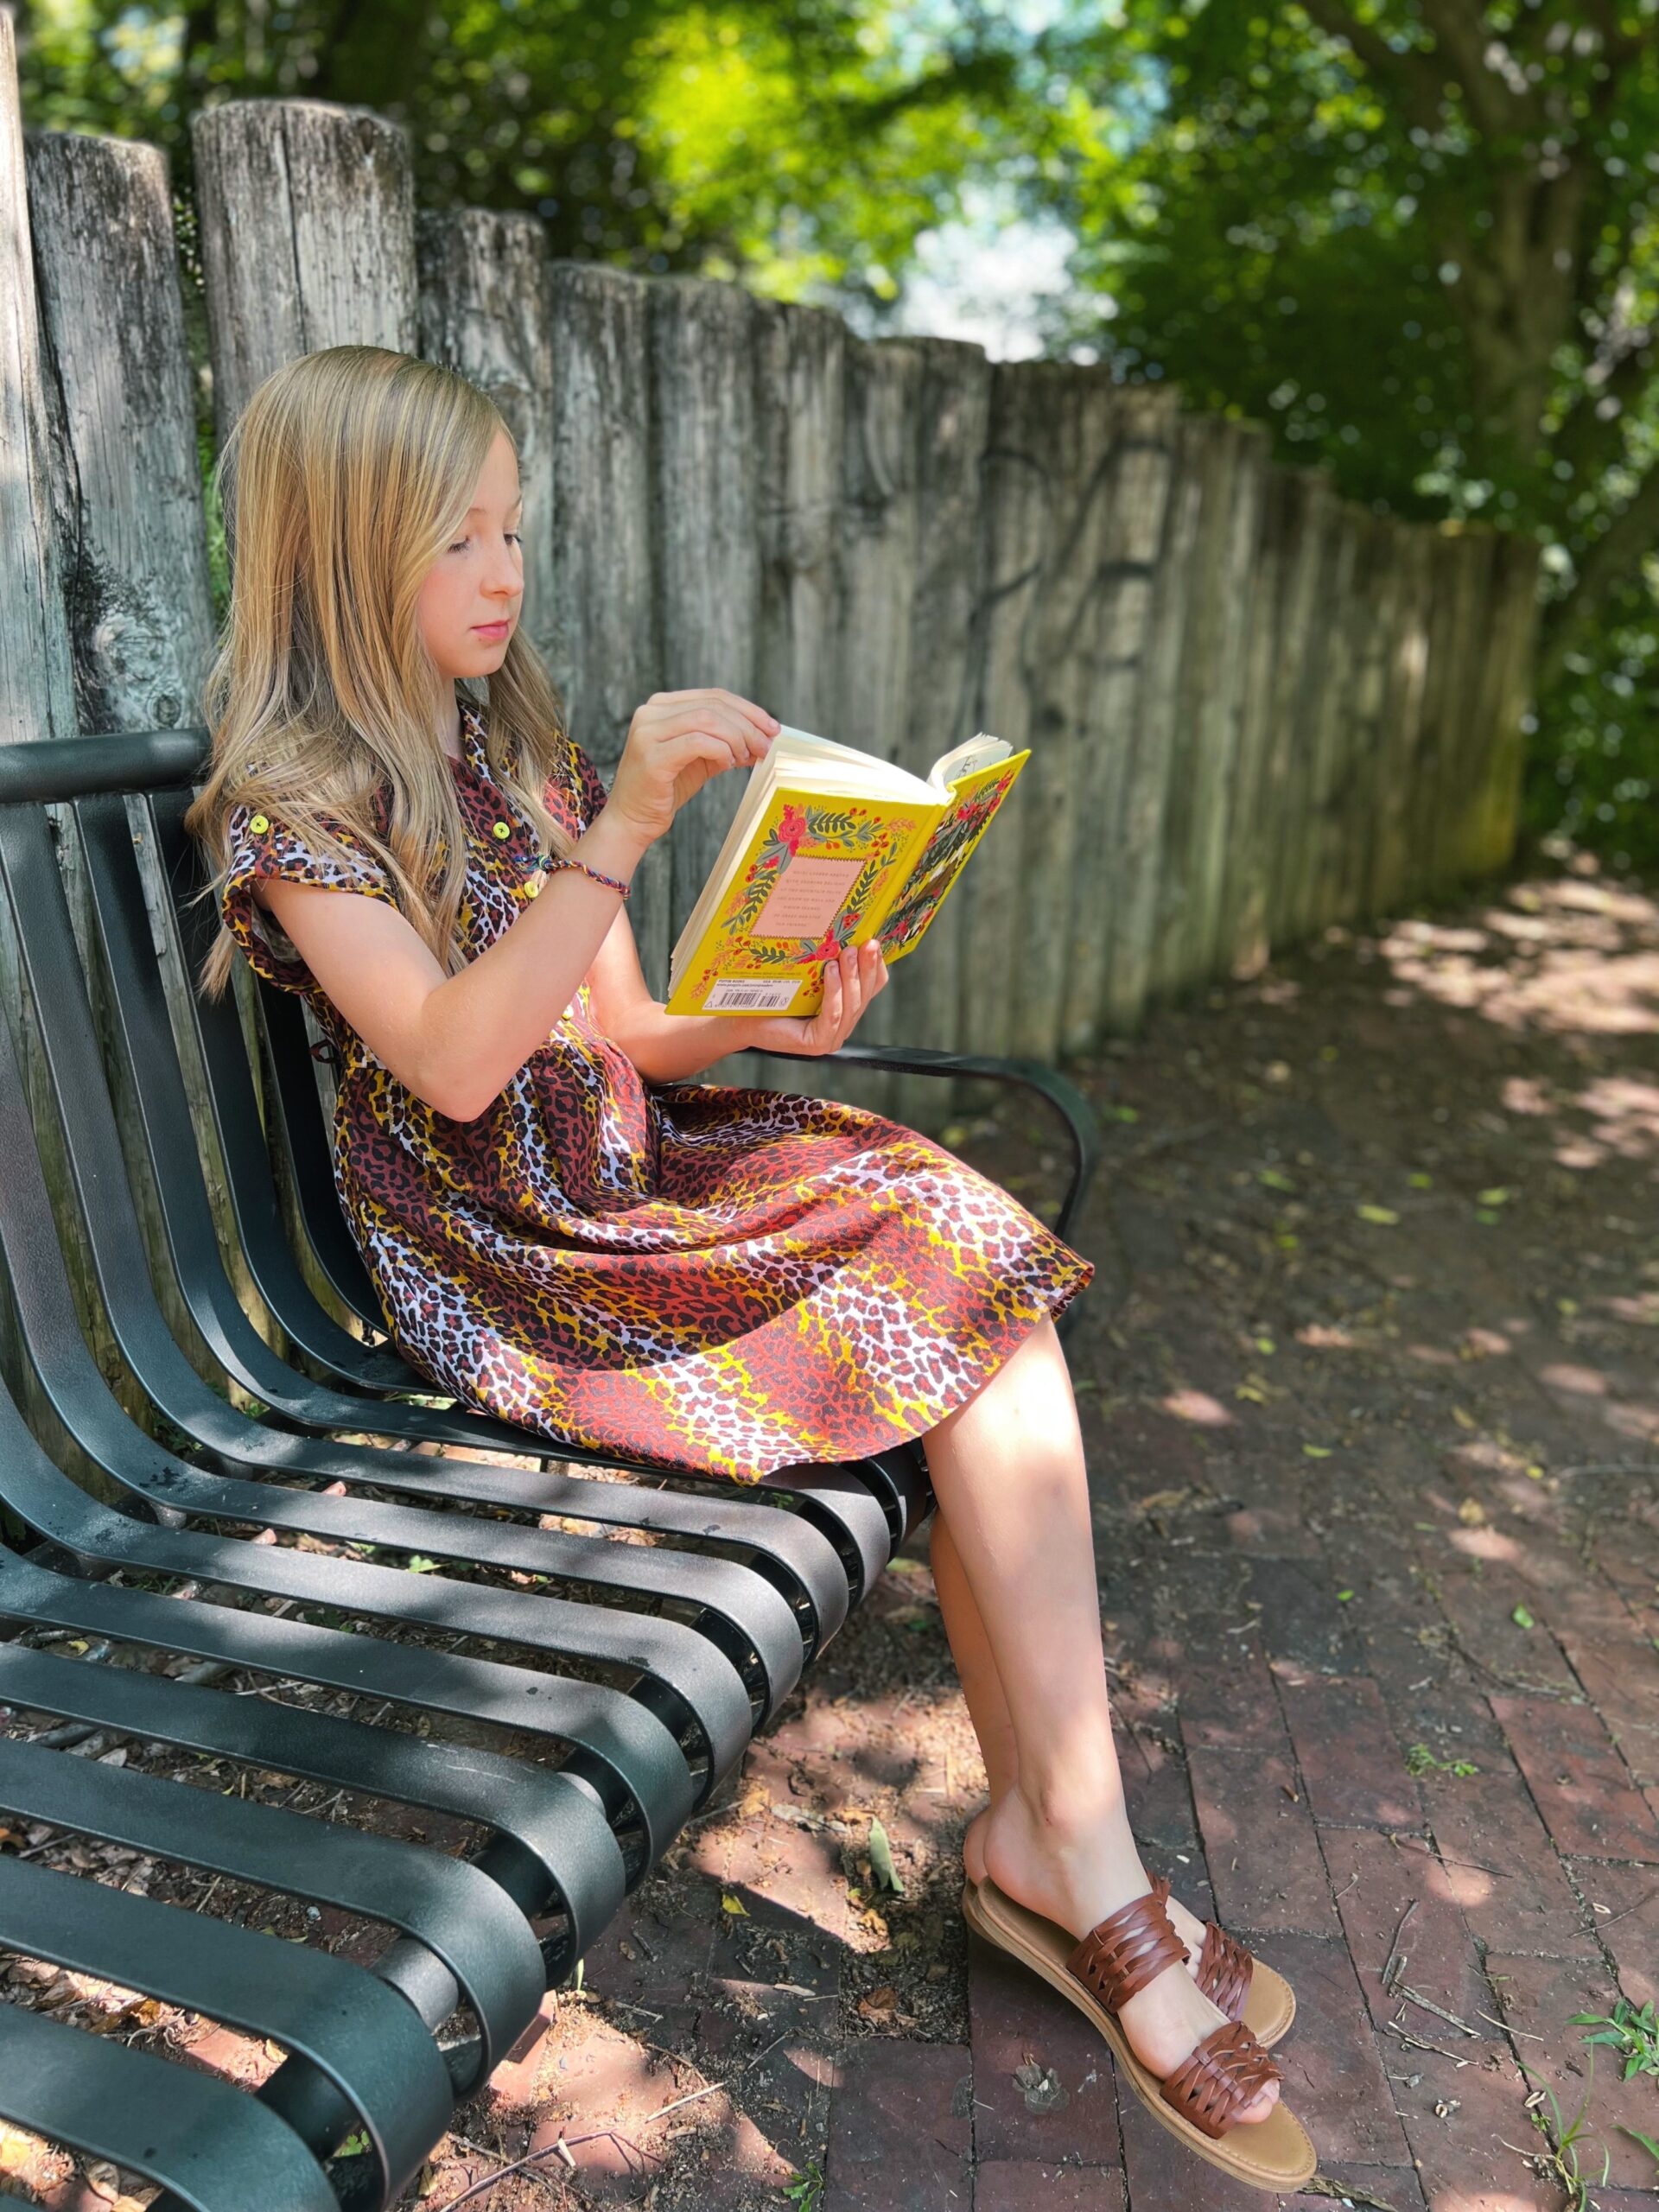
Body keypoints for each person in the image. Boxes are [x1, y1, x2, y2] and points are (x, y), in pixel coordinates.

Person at [186, 345, 1313, 2189]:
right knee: (953, 1292)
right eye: (458, 535)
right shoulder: (297, 814)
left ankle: (1062, 1837)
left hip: (619, 1169)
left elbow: (620, 1029)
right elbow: (465, 1061)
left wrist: (789, 986)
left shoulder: (506, 749)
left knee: (957, 1247)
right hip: (520, 1254)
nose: (505, 568)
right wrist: (623, 828)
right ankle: (1078, 1866)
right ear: (339, 553)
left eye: (517, 529)